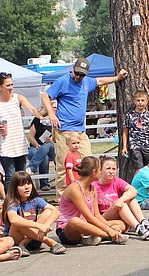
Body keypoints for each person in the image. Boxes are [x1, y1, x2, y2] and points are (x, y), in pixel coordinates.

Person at [41, 58, 130, 192]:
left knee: (89, 163)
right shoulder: (63, 81)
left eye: (82, 74)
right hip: (64, 131)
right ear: (73, 69)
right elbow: (45, 96)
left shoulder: (86, 82)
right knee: (64, 167)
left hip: (80, 132)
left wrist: (117, 78)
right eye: (77, 73)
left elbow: (99, 81)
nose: (78, 77)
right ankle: (63, 199)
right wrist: (51, 114)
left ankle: (87, 193)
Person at [0, 72, 43, 187]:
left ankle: (22, 201)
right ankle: (10, 202)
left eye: (12, 84)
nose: (11, 88)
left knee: (21, 175)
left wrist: (42, 116)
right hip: (5, 145)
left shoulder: (18, 98)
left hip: (19, 143)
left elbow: (31, 108)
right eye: (7, 85)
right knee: (10, 176)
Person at [55, 156, 126, 247]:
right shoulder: (75, 189)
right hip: (68, 230)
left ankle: (94, 236)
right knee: (75, 221)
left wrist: (108, 225)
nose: (101, 172)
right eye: (100, 169)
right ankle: (108, 236)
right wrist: (109, 230)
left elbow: (96, 215)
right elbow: (88, 216)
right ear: (94, 172)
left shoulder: (93, 188)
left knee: (121, 224)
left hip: (87, 224)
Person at [94, 156, 149, 239]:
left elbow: (133, 191)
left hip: (118, 217)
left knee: (129, 199)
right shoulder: (94, 185)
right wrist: (120, 201)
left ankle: (143, 222)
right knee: (122, 205)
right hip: (103, 217)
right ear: (100, 170)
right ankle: (138, 228)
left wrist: (121, 199)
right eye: (108, 168)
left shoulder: (116, 180)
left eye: (114, 169)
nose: (111, 172)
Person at [5, 171, 63, 254]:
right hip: (16, 240)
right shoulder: (13, 203)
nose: (27, 187)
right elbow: (13, 219)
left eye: (29, 184)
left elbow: (56, 211)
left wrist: (45, 226)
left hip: (35, 238)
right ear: (15, 188)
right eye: (22, 185)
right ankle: (49, 242)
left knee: (48, 211)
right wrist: (39, 226)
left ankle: (24, 243)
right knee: (17, 222)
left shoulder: (35, 200)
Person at [121, 90, 149, 170]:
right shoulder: (129, 116)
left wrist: (148, 138)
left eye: (142, 100)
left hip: (147, 146)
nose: (140, 103)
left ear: (147, 102)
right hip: (135, 146)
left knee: (148, 168)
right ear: (134, 101)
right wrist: (124, 147)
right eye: (138, 100)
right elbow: (125, 132)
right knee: (139, 168)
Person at [26, 109, 56, 190]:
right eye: (53, 107)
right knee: (44, 157)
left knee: (47, 145)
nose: (55, 109)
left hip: (51, 147)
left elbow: (58, 140)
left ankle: (32, 168)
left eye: (56, 107)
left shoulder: (57, 120)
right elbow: (31, 137)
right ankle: (44, 185)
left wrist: (50, 140)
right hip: (35, 147)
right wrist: (37, 145)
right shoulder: (37, 120)